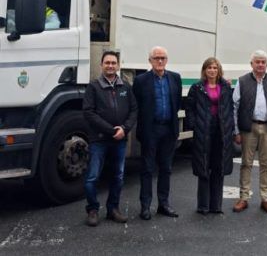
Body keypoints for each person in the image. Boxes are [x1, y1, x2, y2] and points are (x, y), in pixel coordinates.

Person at [82, 50, 137, 227]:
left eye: (114, 63)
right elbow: (88, 113)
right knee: (92, 177)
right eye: (107, 63)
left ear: (118, 65)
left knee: (118, 177)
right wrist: (110, 130)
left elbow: (134, 110)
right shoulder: (93, 86)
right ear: (101, 65)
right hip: (99, 139)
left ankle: (113, 209)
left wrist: (124, 128)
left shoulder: (125, 87)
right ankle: (92, 209)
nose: (111, 66)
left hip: (119, 140)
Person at [232, 50, 267, 215]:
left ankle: (266, 198)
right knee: (246, 164)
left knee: (266, 164)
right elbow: (234, 108)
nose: (260, 64)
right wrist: (236, 131)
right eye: (257, 62)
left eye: (263, 62)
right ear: (252, 64)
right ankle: (243, 198)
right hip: (248, 128)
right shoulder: (242, 81)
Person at [133, 46, 182, 221]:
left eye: (162, 58)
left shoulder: (175, 78)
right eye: (156, 58)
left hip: (168, 129)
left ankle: (164, 204)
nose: (160, 61)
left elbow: (176, 104)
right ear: (150, 61)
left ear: (167, 60)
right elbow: (136, 106)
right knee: (147, 169)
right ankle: (145, 206)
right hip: (150, 130)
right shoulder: (141, 81)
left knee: (166, 169)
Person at [185, 57, 234, 215]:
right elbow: (189, 108)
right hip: (204, 131)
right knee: (204, 167)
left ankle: (216, 205)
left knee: (218, 168)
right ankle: (203, 206)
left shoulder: (225, 87)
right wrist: (194, 125)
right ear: (204, 70)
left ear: (219, 70)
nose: (212, 70)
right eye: (209, 68)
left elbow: (230, 108)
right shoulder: (197, 88)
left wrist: (229, 126)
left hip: (221, 131)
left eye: (215, 68)